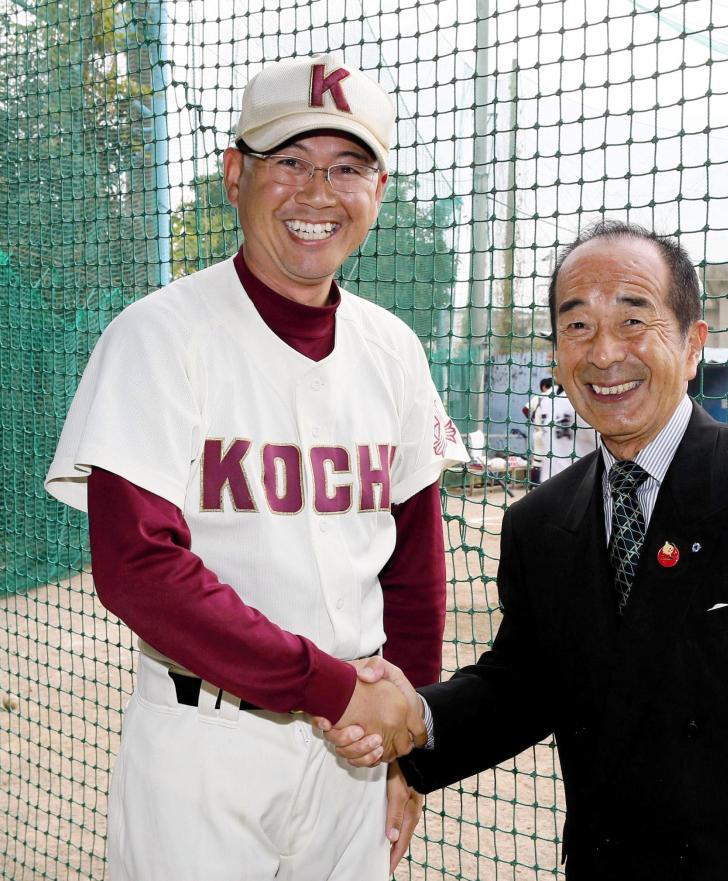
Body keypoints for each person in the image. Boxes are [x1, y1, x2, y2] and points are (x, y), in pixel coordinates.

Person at [322, 220, 728, 880]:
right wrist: (419, 719)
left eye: (634, 321)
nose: (604, 353)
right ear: (555, 354)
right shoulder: (540, 522)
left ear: (693, 346)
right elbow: (522, 685)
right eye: (576, 327)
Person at [44, 54, 466, 881]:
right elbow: (140, 571)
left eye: (348, 167)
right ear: (236, 172)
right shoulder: (158, 335)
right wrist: (333, 688)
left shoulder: (395, 351)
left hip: (354, 757)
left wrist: (404, 750)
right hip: (207, 747)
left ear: (377, 191)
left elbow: (414, 567)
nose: (318, 193)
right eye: (290, 163)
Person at [523, 377, 553, 484]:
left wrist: (533, 419)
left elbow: (525, 409)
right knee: (552, 459)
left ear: (544, 386)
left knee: (537, 461)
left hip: (539, 432)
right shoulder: (557, 397)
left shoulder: (539, 397)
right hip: (552, 433)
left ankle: (534, 485)